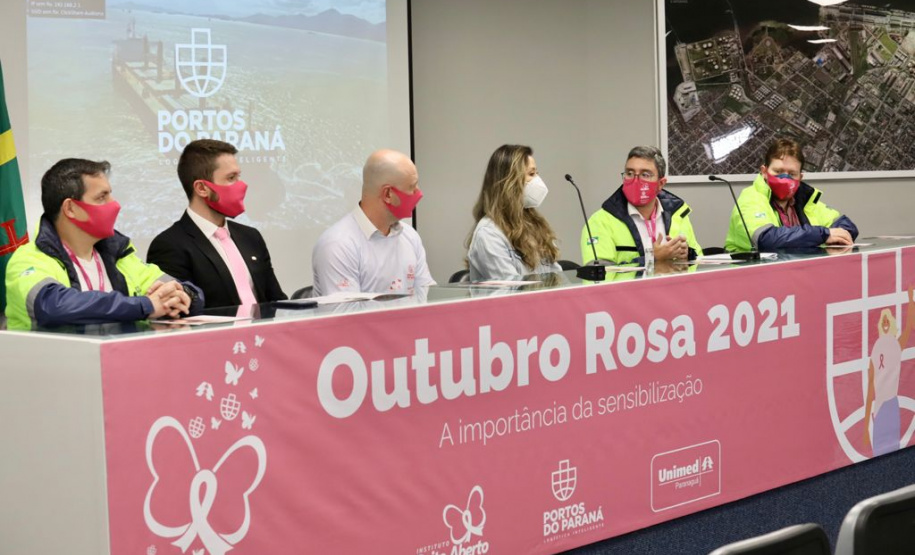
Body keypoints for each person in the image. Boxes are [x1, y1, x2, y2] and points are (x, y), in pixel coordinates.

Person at [5, 159, 202, 330]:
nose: (115, 204)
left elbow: (180, 287)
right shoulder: (27, 260)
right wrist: (145, 306)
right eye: (102, 197)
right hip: (51, 368)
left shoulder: (120, 256)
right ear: (71, 208)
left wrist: (186, 295)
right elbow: (54, 306)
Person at [147, 140, 286, 309]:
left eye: (238, 176)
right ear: (201, 188)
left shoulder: (251, 237)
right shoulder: (170, 245)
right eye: (231, 178)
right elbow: (179, 315)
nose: (241, 185)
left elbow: (277, 301)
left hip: (263, 334)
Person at [312, 149, 435, 296]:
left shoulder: (410, 236)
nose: (418, 193)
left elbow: (427, 297)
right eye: (412, 187)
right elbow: (345, 315)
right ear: (388, 194)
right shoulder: (338, 244)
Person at [724, 138, 858, 252]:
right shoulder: (751, 198)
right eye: (778, 171)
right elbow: (767, 240)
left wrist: (835, 235)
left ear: (800, 177)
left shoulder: (805, 201)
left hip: (795, 273)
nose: (784, 179)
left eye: (792, 174)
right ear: (764, 171)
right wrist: (823, 234)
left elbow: (847, 226)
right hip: (751, 275)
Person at [581, 146, 702, 265]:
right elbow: (598, 275)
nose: (635, 180)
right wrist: (652, 259)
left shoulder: (678, 215)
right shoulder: (600, 221)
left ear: (661, 184)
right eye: (630, 173)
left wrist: (688, 256)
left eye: (645, 174)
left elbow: (699, 261)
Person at [466, 145, 561, 281]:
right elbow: (511, 292)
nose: (538, 180)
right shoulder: (488, 234)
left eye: (537, 173)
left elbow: (557, 280)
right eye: (531, 174)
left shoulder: (535, 225)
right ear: (509, 182)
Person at [864, 287, 914, 457]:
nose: (885, 324)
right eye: (882, 321)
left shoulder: (896, 344)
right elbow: (870, 388)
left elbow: (909, 326)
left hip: (891, 404)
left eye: (888, 320)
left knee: (894, 451)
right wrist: (865, 428)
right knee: (878, 451)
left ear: (891, 323)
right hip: (879, 408)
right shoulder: (876, 349)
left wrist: (910, 300)